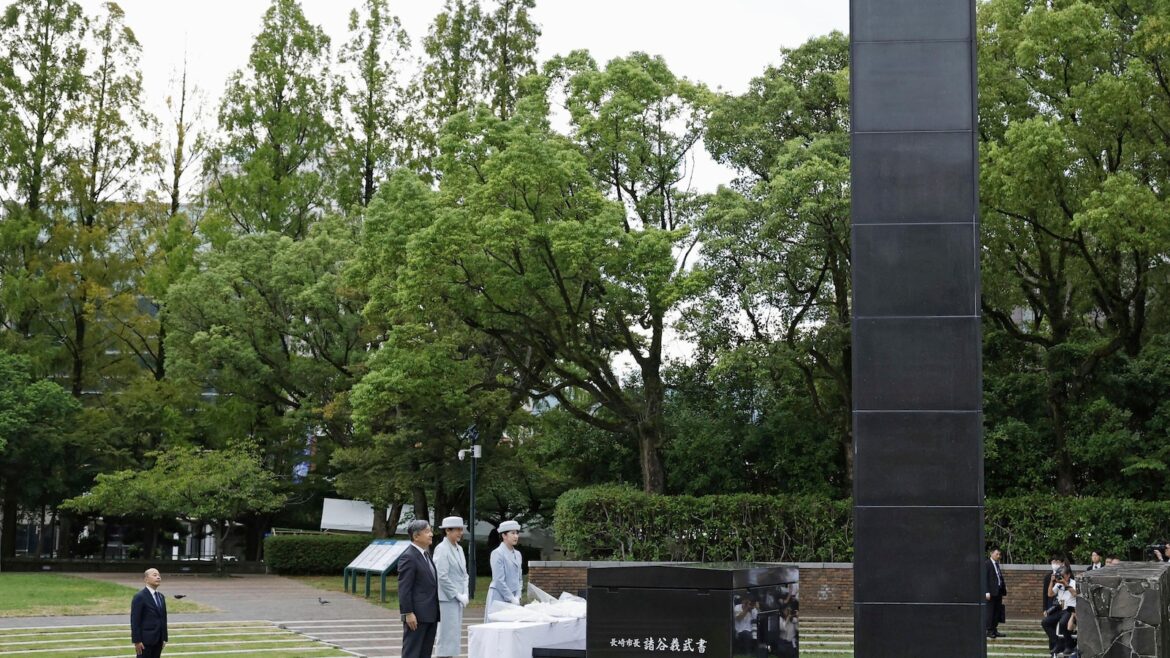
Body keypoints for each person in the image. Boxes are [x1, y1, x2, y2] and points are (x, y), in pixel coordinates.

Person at [399, 520, 440, 658]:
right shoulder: (409, 556)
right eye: (427, 531)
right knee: (412, 653)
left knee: (425, 653)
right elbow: (404, 588)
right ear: (416, 536)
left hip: (430, 614)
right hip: (416, 616)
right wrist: (408, 612)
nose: (431, 534)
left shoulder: (426, 554)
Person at [433, 516, 469, 658]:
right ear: (447, 530)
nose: (460, 532)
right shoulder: (441, 549)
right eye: (457, 529)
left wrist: (465, 593)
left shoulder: (459, 548)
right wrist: (457, 594)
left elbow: (464, 574)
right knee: (446, 633)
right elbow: (442, 576)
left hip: (458, 599)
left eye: (461, 529)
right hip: (447, 598)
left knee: (455, 633)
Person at [485, 520, 523, 616]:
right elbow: (499, 580)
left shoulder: (518, 554)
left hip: (514, 598)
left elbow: (520, 578)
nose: (516, 536)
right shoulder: (497, 553)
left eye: (517, 533)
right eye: (512, 533)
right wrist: (511, 598)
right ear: (504, 535)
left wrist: (518, 596)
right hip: (499, 597)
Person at [130, 568, 168, 658]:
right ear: (146, 579)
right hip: (144, 641)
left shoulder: (161, 597)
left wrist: (164, 638)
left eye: (159, 575)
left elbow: (163, 618)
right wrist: (137, 641)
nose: (158, 577)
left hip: (158, 640)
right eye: (154, 575)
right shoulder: (140, 596)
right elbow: (135, 620)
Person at [984, 548, 1007, 639]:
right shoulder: (987, 564)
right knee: (990, 612)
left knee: (997, 612)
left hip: (998, 591)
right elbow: (985, 578)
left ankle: (994, 629)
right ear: (991, 553)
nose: (998, 556)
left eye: (999, 554)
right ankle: (989, 630)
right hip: (991, 592)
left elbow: (998, 577)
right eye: (997, 554)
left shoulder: (997, 565)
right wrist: (986, 591)